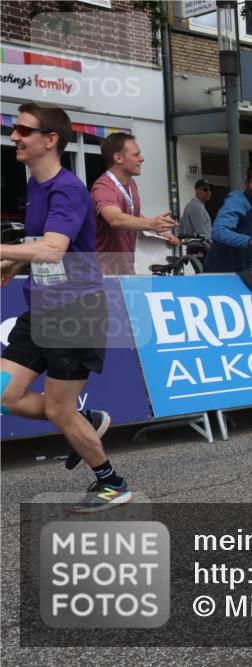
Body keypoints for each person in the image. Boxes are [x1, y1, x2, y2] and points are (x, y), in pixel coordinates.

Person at [0, 103, 129, 512]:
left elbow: (55, 250)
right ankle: (85, 421)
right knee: (7, 394)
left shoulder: (69, 188)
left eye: (23, 130)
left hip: (76, 312)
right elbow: (48, 241)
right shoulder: (36, 185)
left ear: (50, 139)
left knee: (58, 408)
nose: (15, 136)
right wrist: (15, 261)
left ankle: (111, 482)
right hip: (40, 307)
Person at [91, 132, 178, 275]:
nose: (142, 159)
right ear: (118, 157)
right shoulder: (103, 187)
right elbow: (115, 219)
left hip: (125, 272)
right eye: (136, 155)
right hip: (103, 276)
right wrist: (151, 223)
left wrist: (160, 233)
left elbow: (133, 216)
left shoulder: (131, 184)